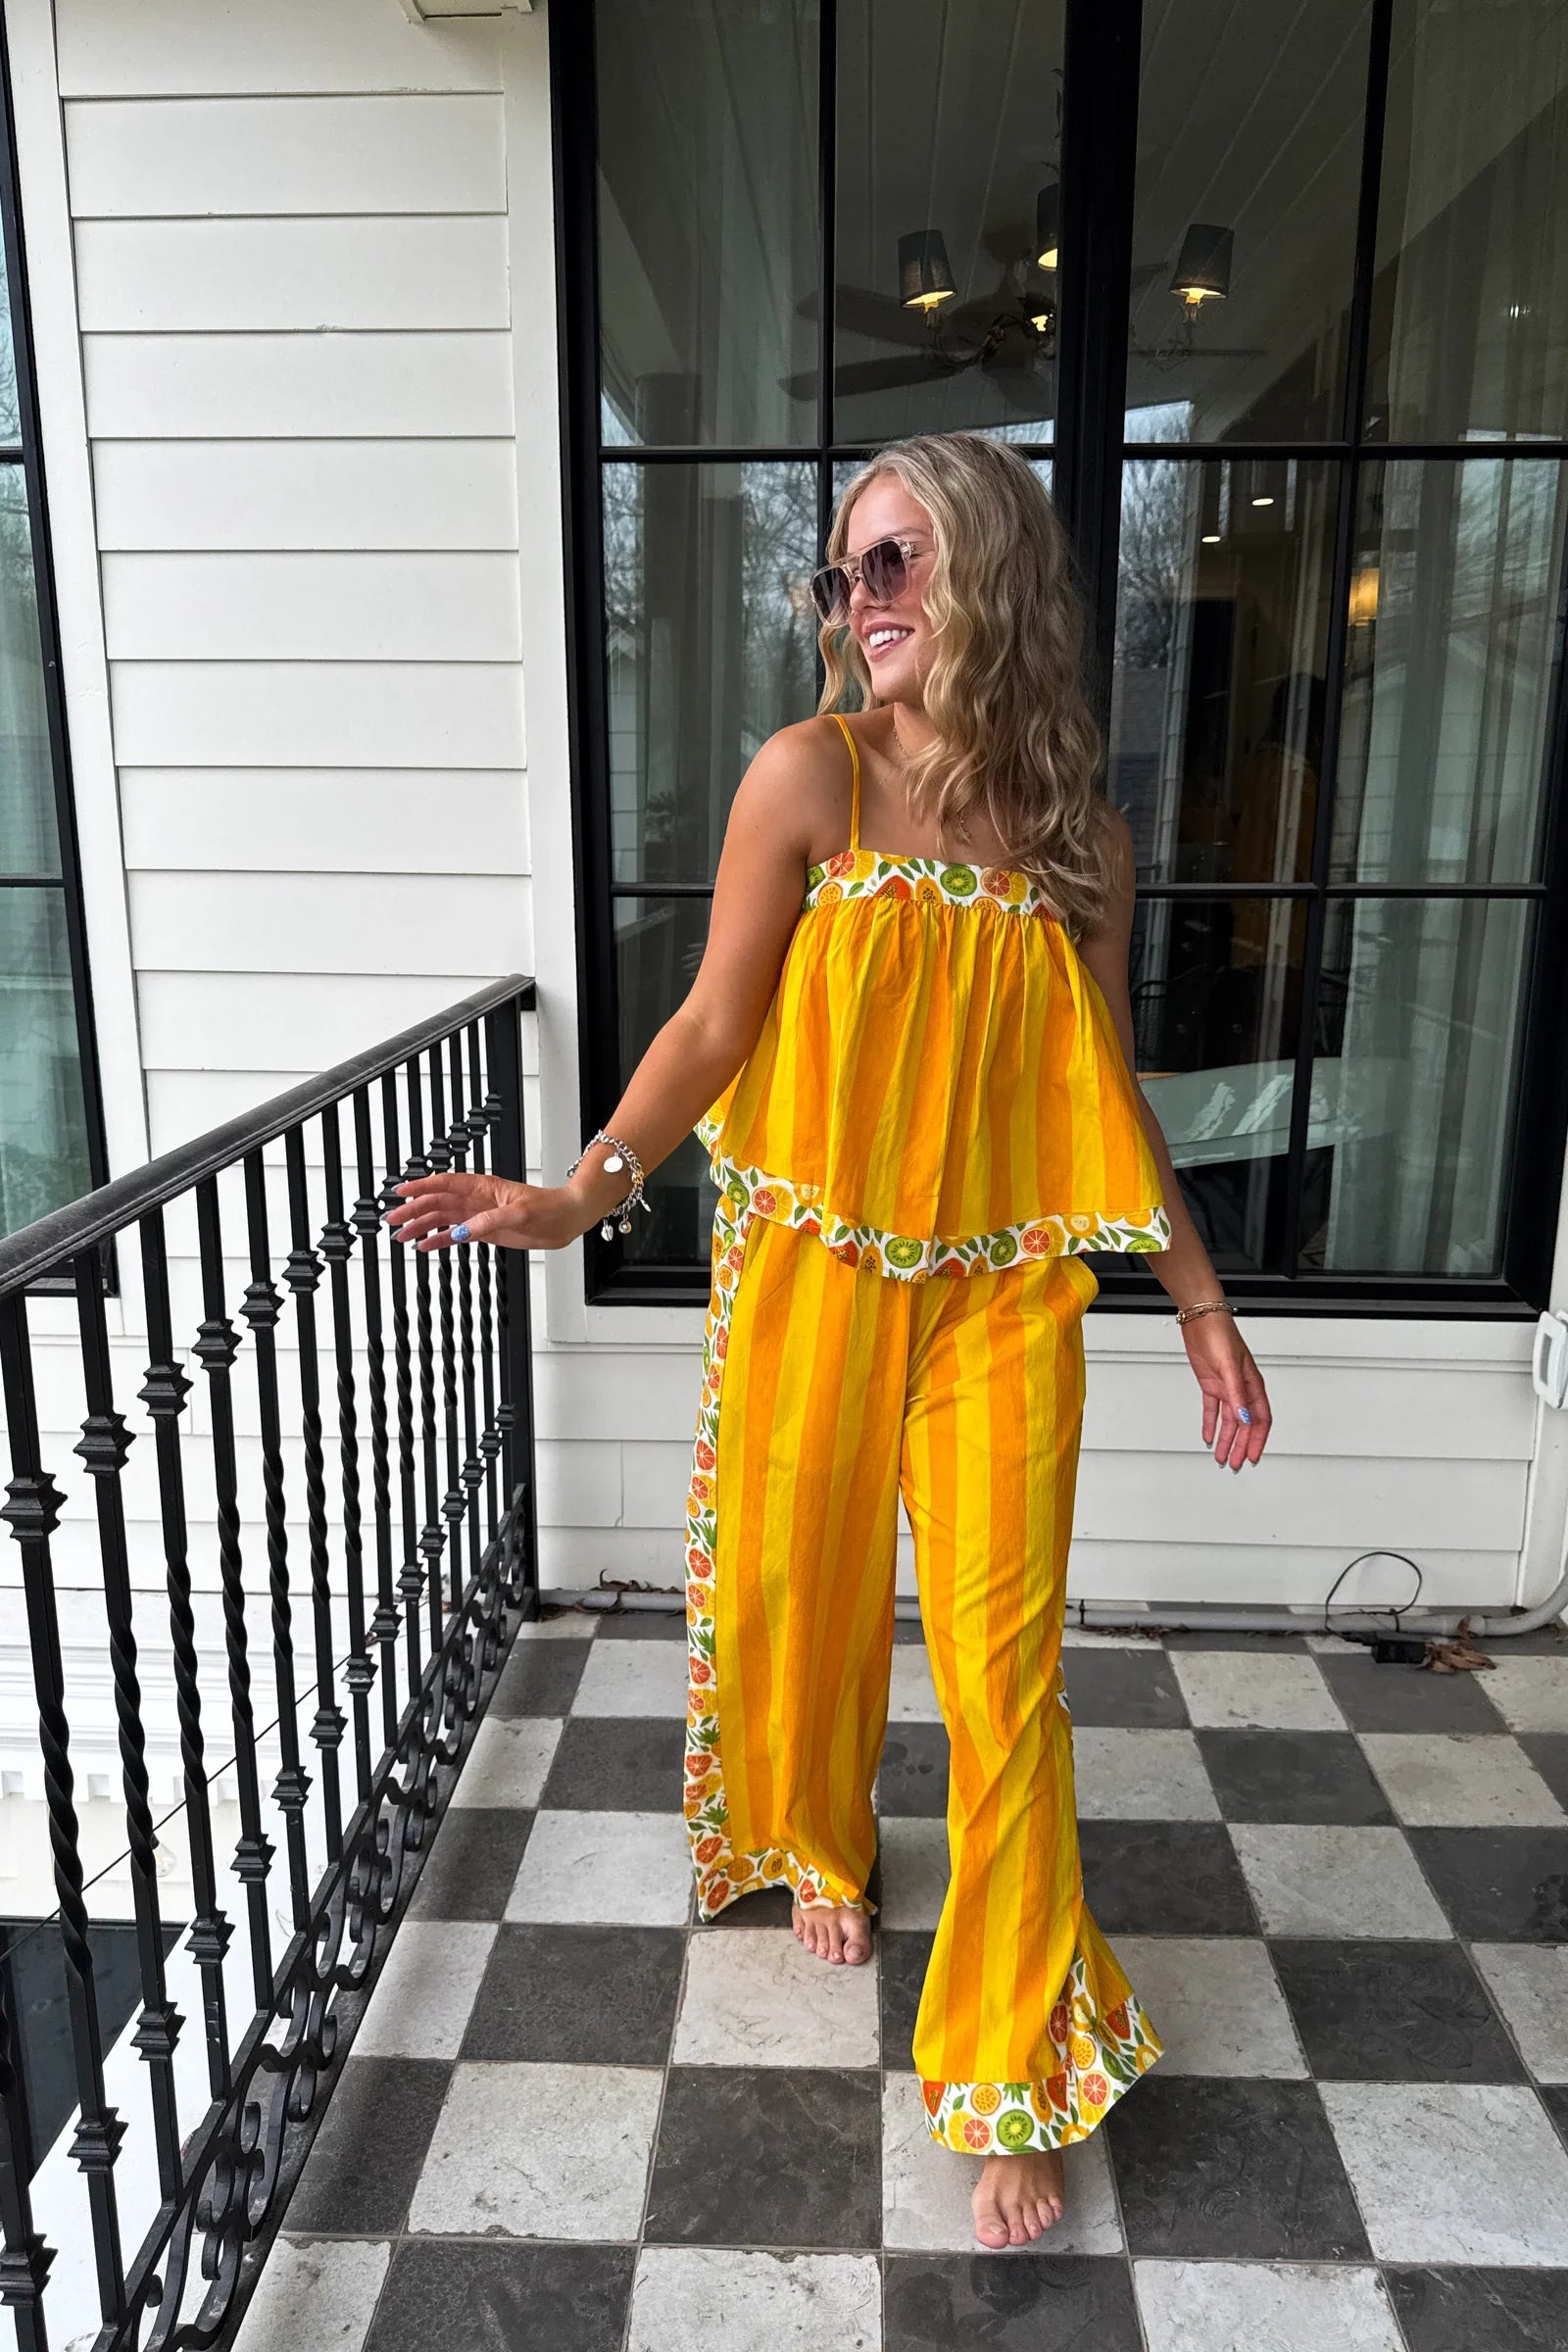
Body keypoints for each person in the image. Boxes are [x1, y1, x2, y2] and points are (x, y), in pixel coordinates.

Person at [387, 431, 1273, 2253]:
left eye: (900, 560)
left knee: (1008, 1676)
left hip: (1002, 1295)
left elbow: (1105, 1083)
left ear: (991, 572)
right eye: (846, 569)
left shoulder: (1077, 837)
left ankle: (1007, 2067)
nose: (862, 599)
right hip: (812, 1266)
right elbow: (714, 1026)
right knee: (797, 1589)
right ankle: (817, 1833)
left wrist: (1200, 1303)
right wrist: (577, 1195)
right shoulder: (810, 777)